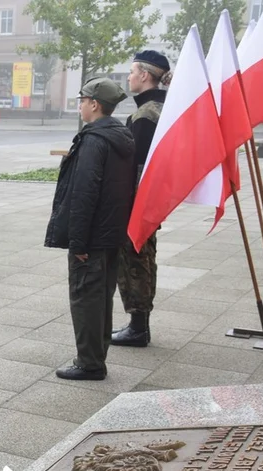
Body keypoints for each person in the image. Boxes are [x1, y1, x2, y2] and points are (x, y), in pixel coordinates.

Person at [45, 78, 134, 381]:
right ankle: (97, 354)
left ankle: (89, 362)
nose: (80, 104)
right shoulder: (120, 136)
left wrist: (78, 243)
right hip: (111, 235)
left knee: (85, 298)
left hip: (92, 238)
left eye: (82, 99)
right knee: (101, 298)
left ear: (94, 104)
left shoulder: (94, 141)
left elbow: (84, 195)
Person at [111, 49, 169, 349]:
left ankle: (138, 327)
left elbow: (136, 167)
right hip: (151, 199)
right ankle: (138, 325)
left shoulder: (146, 116)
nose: (129, 77)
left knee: (135, 260)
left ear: (145, 75)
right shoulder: (162, 108)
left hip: (138, 201)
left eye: (132, 72)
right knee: (145, 258)